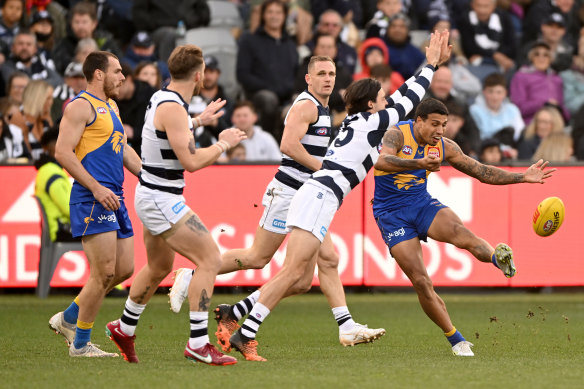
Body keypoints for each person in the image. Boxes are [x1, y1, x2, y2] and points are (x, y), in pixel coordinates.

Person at [215, 31, 451, 362]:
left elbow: (387, 137)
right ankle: (245, 332)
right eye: (382, 98)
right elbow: (408, 100)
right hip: (319, 197)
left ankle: (241, 317)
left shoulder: (356, 125)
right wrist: (430, 65)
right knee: (294, 273)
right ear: (371, 104)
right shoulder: (370, 122)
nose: (387, 102)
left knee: (299, 275)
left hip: (315, 195)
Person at [168, 54, 397, 361]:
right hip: (290, 192)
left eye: (331, 73)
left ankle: (343, 324)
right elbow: (288, 145)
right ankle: (194, 274)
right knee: (258, 257)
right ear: (308, 78)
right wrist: (325, 170)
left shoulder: (326, 109)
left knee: (314, 271)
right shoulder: (306, 106)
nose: (328, 78)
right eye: (321, 74)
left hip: (310, 195)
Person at [372, 98, 555, 357]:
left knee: (461, 233)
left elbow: (481, 171)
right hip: (391, 214)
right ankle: (456, 339)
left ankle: (496, 258)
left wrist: (522, 177)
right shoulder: (397, 134)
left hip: (420, 203)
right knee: (422, 281)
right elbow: (382, 161)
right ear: (419, 121)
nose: (440, 130)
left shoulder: (445, 146)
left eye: (444, 125)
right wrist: (419, 164)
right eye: (434, 124)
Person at [104, 44, 246, 366]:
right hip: (162, 198)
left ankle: (124, 328)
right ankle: (198, 342)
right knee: (210, 258)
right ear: (199, 75)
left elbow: (170, 131)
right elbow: (191, 161)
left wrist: (198, 120)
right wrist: (224, 142)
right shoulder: (174, 108)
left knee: (157, 267)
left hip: (152, 193)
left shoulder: (162, 98)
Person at [48, 51, 142, 358]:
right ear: (98, 74)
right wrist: (96, 187)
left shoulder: (111, 106)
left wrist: (151, 177)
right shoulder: (80, 106)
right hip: (92, 196)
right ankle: (80, 343)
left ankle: (68, 318)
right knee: (103, 273)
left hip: (114, 195)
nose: (122, 77)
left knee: (124, 269)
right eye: (117, 71)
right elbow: (63, 153)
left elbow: (123, 149)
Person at [52, 2, 121, 74]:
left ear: (94, 24)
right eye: (77, 22)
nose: (80, 26)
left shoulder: (106, 42)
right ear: (71, 23)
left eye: (84, 22)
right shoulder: (64, 45)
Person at [34, 129, 76, 242]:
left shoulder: (47, 170)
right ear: (55, 147)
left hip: (60, 228)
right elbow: (69, 209)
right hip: (61, 230)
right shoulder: (52, 172)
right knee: (103, 233)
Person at [469, 72, 524, 141]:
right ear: (484, 92)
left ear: (505, 93)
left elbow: (519, 134)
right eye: (490, 92)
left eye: (499, 92)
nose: (495, 97)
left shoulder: (513, 109)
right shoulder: (474, 110)